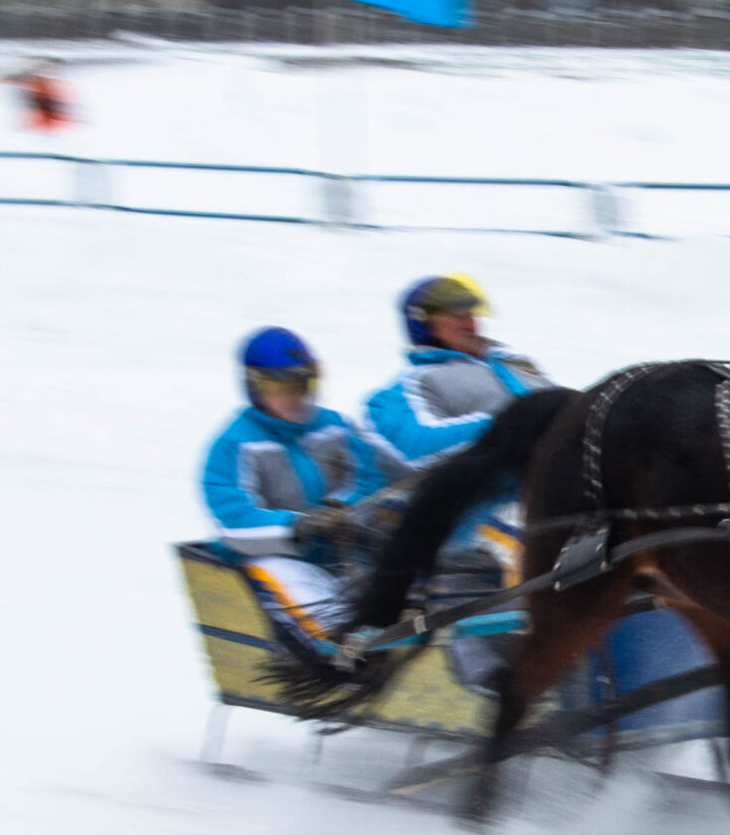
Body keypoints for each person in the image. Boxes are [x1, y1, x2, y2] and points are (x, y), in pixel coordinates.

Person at [201, 327, 402, 657]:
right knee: (304, 592)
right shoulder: (235, 445)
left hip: (343, 550)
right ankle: (342, 656)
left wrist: (342, 507)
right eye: (281, 386)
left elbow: (369, 479)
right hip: (277, 556)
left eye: (304, 382)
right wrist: (298, 526)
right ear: (255, 386)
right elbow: (234, 520)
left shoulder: (334, 427)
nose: (297, 395)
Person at [364, 274, 552, 588]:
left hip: (556, 480)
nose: (471, 324)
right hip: (483, 503)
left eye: (472, 314)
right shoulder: (406, 388)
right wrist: (509, 421)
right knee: (545, 538)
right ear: (425, 324)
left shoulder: (520, 367)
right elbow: (417, 446)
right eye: (457, 316)